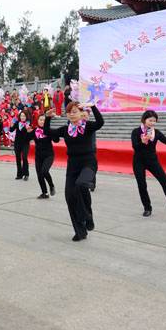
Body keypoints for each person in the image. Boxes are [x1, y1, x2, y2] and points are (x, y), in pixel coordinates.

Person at [48, 101, 103, 241]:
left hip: (88, 163)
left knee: (81, 185)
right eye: (69, 112)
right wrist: (48, 118)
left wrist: (93, 107)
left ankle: (88, 216)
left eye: (74, 111)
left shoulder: (88, 126)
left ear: (81, 113)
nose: (72, 114)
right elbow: (48, 132)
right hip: (73, 165)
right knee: (70, 197)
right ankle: (80, 231)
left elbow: (100, 123)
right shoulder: (66, 129)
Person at [28, 111, 59, 199]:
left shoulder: (49, 131)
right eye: (40, 120)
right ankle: (44, 193)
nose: (42, 121)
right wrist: (26, 132)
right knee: (40, 175)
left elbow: (56, 140)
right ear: (37, 121)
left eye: (44, 120)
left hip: (49, 155)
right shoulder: (34, 131)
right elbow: (26, 138)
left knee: (44, 171)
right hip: (38, 156)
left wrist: (55, 134)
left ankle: (51, 185)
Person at [10, 111, 31, 180]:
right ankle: (19, 174)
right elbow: (11, 130)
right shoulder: (17, 123)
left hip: (25, 143)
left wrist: (28, 131)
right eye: (21, 116)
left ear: (26, 117)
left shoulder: (29, 124)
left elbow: (31, 135)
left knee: (24, 157)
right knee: (18, 158)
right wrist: (11, 125)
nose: (22, 117)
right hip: (17, 143)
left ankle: (26, 174)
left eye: (24, 116)